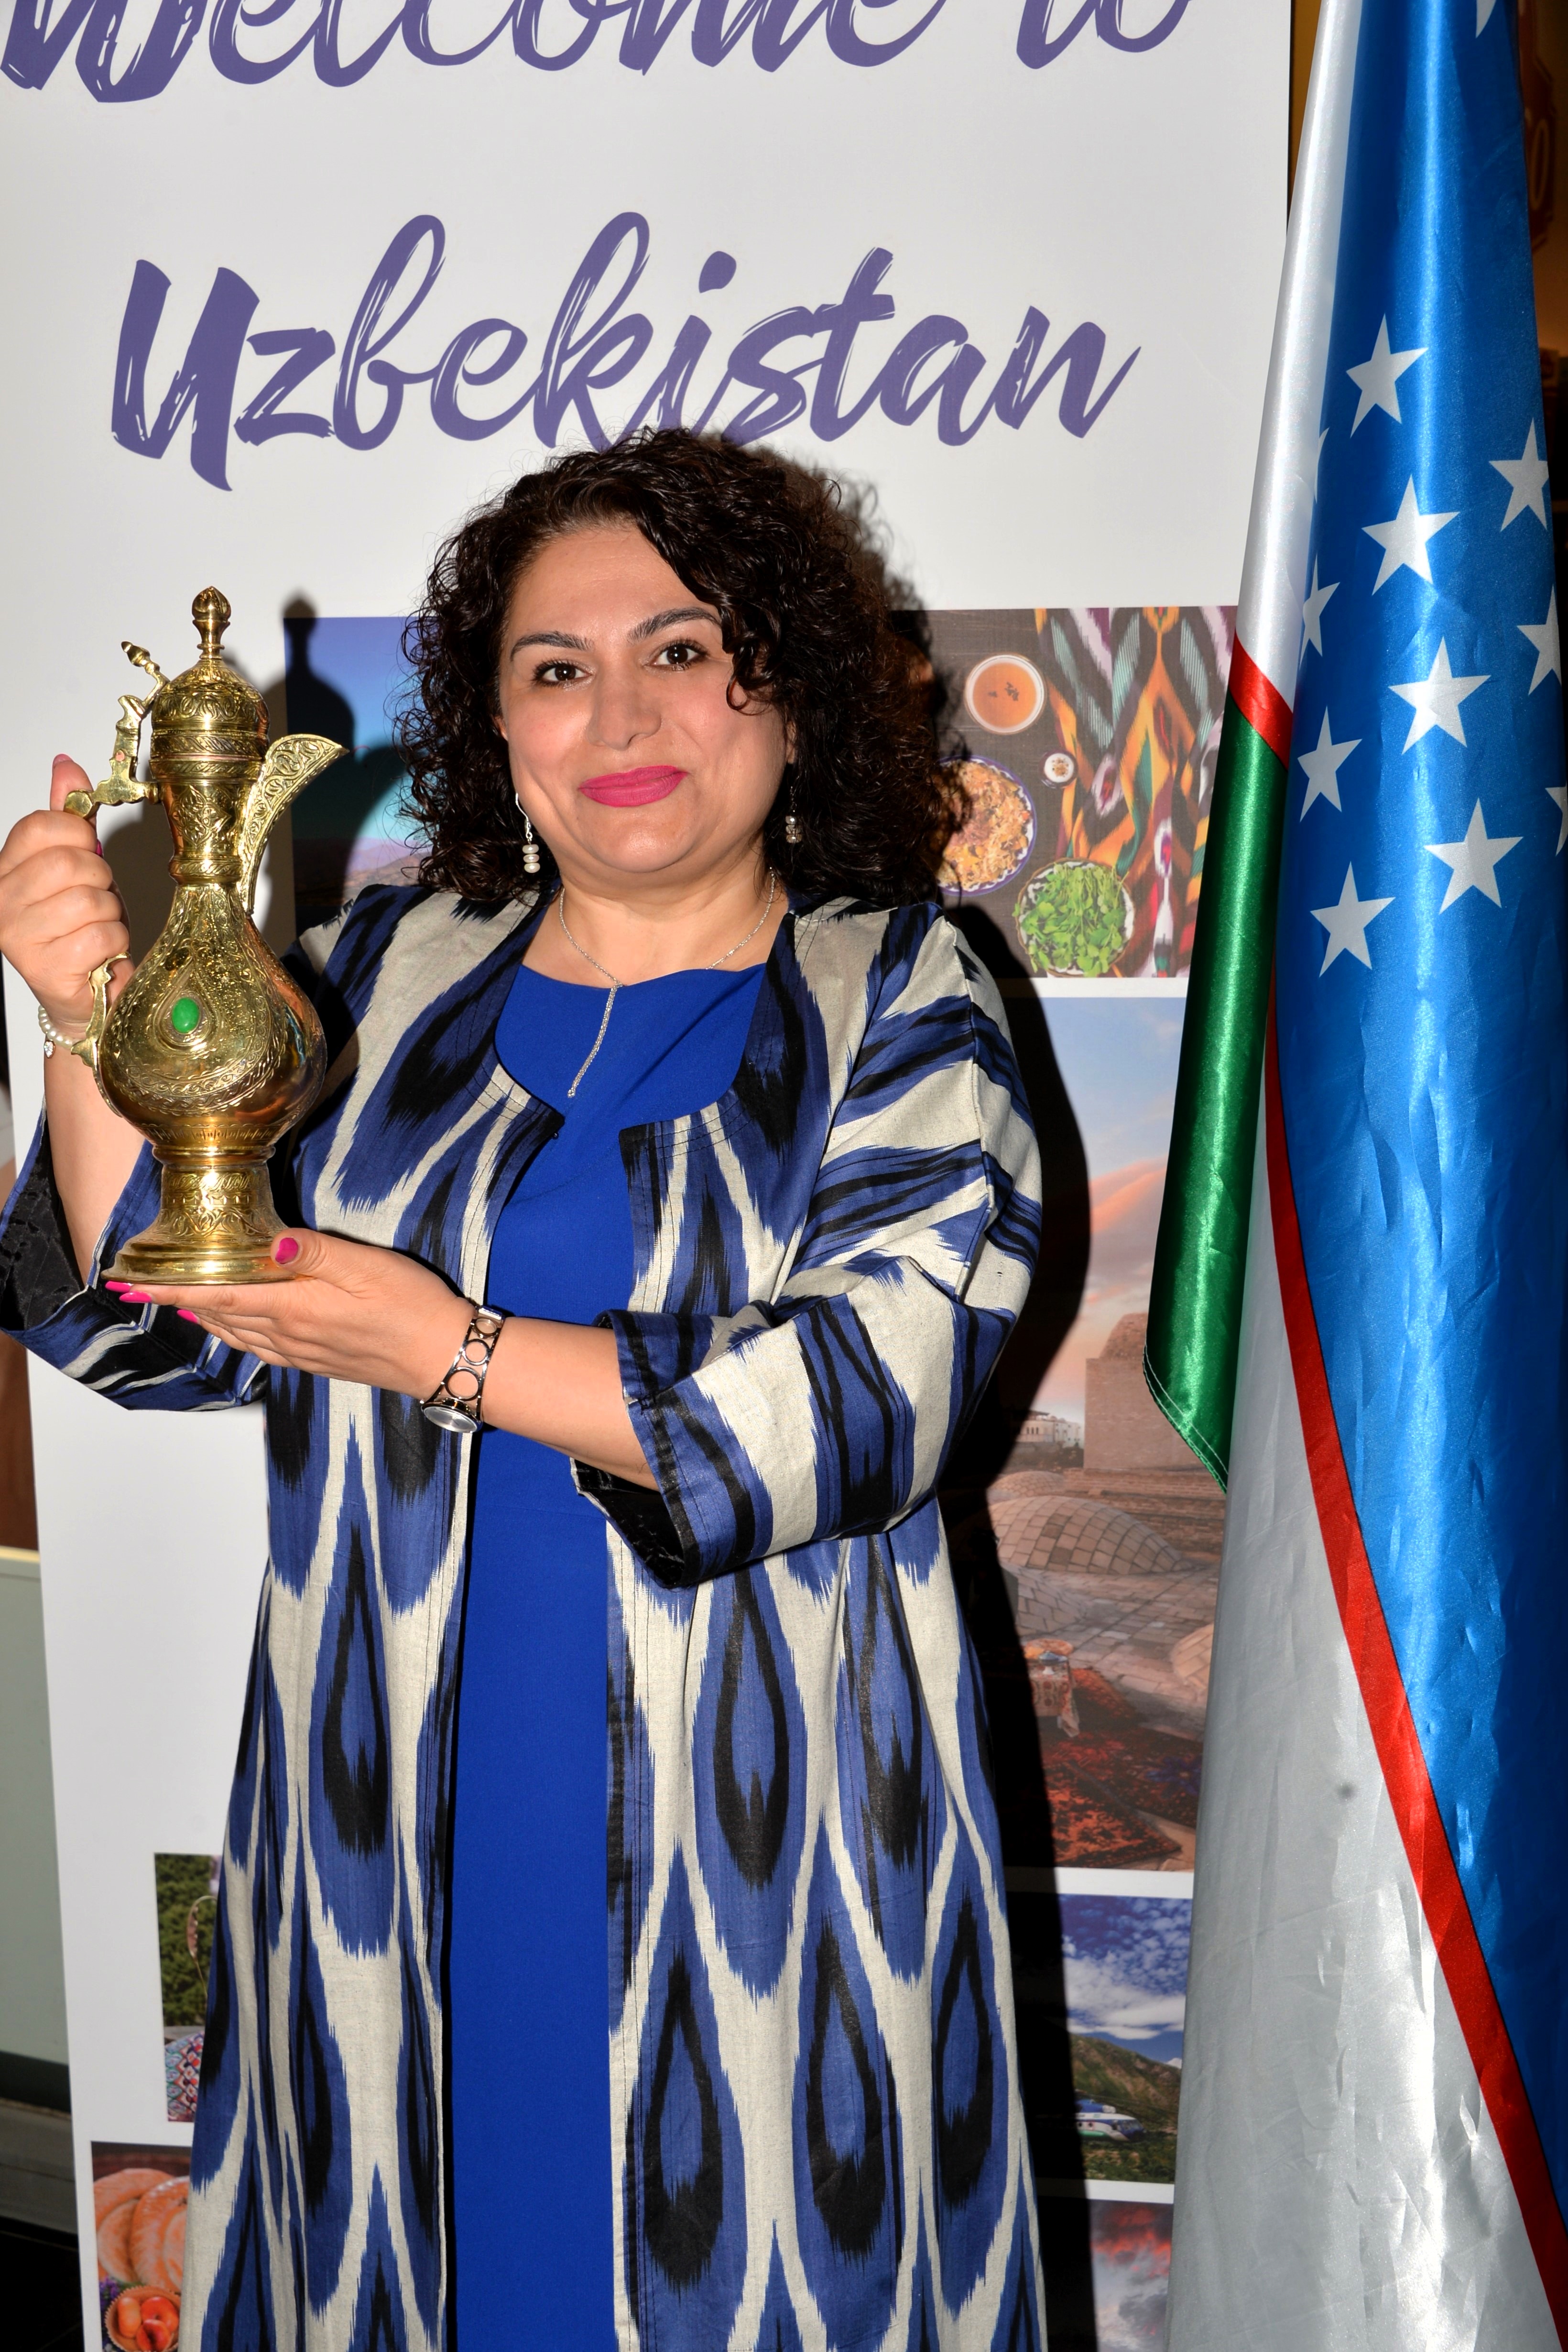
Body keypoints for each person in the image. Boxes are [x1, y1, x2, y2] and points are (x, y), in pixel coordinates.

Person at [0, 429, 1045, 2350]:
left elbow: (868, 1396)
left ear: (789, 694)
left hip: (772, 1849)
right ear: (496, 729)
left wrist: (442, 1349)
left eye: (683, 648)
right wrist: (83, 1020)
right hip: (385, 1822)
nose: (619, 714)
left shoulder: (903, 988)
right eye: (556, 668)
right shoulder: (380, 974)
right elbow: (158, 1316)